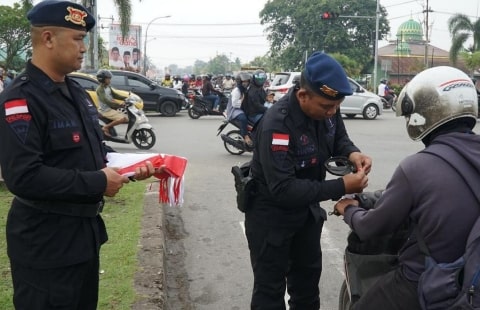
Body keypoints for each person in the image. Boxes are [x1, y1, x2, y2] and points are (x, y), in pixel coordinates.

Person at [0, 2, 158, 309]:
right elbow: (24, 176)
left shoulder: (76, 93)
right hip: (45, 246)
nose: (84, 47)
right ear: (47, 39)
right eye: (76, 39)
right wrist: (98, 182)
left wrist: (132, 166)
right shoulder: (21, 98)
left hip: (83, 239)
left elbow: (96, 151)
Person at [333, 66, 480, 310]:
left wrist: (348, 208)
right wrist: (372, 199)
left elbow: (370, 227)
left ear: (425, 113)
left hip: (427, 280)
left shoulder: (417, 167)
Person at [245, 52, 371, 309]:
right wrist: (342, 186)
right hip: (271, 218)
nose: (332, 112)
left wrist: (352, 152)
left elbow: (339, 139)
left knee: (306, 288)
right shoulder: (277, 125)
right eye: (326, 107)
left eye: (335, 106)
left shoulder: (328, 109)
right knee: (270, 293)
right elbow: (283, 189)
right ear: (303, 96)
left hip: (306, 214)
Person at [96, 69, 128, 137]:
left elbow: (115, 95)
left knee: (127, 118)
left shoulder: (108, 87)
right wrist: (119, 105)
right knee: (122, 119)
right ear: (102, 79)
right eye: (108, 79)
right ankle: (106, 127)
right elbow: (106, 100)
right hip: (105, 111)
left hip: (109, 109)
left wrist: (126, 98)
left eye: (110, 78)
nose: (110, 80)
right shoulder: (100, 89)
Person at [226, 72, 253, 147]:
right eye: (244, 81)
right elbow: (234, 104)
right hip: (234, 110)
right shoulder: (237, 91)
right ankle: (245, 135)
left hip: (240, 108)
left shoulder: (245, 89)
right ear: (240, 82)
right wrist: (241, 100)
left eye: (247, 81)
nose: (246, 83)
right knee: (243, 118)